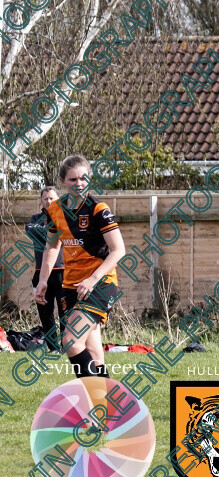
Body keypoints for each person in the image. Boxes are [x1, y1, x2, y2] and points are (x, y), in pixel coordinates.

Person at [35, 155, 126, 379]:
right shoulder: (56, 210)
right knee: (94, 354)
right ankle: (107, 406)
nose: (79, 183)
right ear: (63, 182)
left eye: (83, 178)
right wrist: (43, 280)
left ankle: (96, 401)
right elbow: (52, 247)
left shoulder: (98, 209)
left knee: (70, 341)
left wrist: (92, 280)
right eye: (73, 179)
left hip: (100, 284)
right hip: (71, 287)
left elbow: (118, 250)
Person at [26, 187, 65, 353]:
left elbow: (64, 234)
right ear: (41, 201)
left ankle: (67, 346)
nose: (49, 202)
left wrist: (54, 232)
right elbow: (32, 231)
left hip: (63, 272)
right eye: (45, 199)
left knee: (66, 311)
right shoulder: (35, 219)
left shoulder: (65, 217)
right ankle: (53, 347)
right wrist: (53, 232)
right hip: (41, 273)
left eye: (52, 199)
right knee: (45, 313)